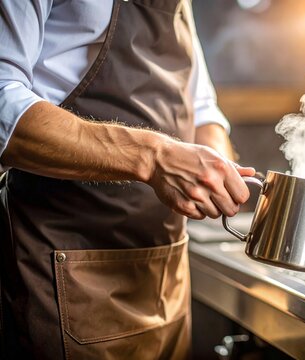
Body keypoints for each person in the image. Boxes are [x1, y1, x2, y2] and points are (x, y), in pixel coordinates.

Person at [0, 0, 254, 358]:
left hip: (165, 271)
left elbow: (201, 106)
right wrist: (154, 156)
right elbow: (2, 101)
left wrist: (217, 166)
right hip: (66, 273)